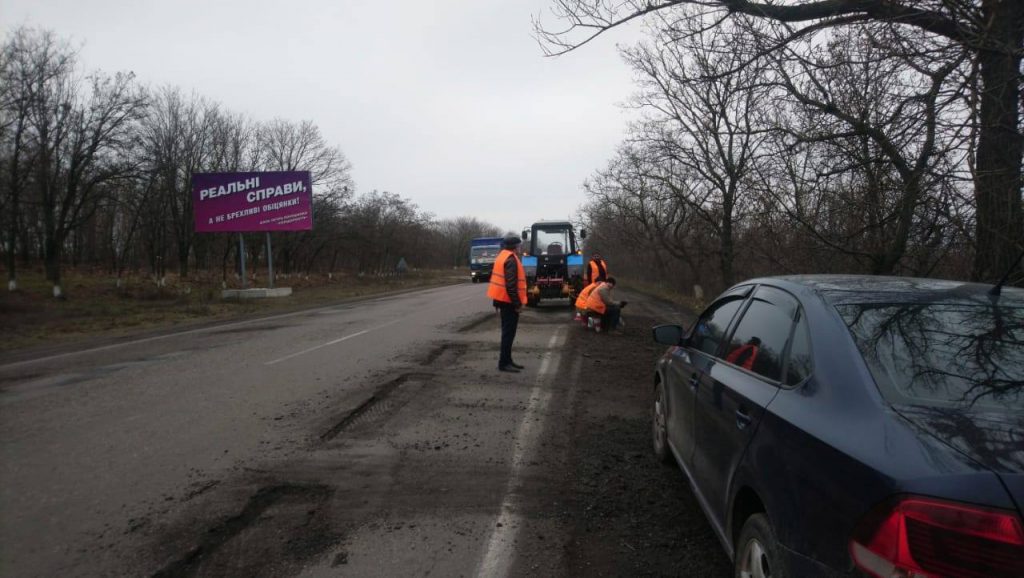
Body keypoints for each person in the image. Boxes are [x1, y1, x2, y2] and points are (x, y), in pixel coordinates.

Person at [487, 234, 528, 372]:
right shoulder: (511, 260)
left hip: (503, 300)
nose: (520, 247)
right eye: (519, 245)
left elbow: (498, 281)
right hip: (508, 302)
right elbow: (510, 285)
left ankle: (507, 360)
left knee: (508, 333)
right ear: (515, 247)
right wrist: (517, 304)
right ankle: (504, 363)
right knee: (508, 334)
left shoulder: (502, 256)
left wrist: (496, 302)